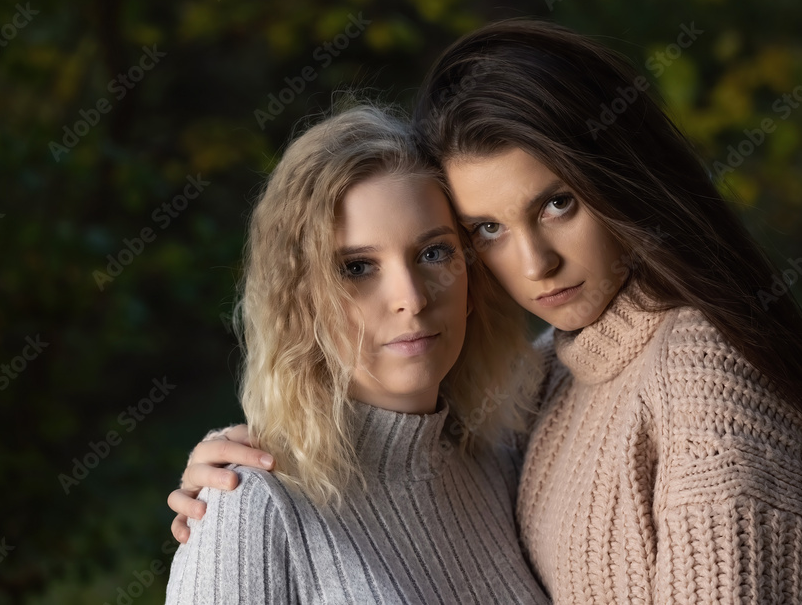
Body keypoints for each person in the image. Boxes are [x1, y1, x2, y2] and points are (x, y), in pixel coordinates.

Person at [171, 20, 802, 603]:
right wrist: (241, 497)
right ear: (297, 295)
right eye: (489, 229)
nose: (536, 264)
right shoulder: (527, 405)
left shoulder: (679, 382)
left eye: (556, 203)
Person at [164, 104, 550, 604]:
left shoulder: (499, 461)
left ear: (471, 278)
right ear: (300, 302)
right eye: (357, 268)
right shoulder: (251, 504)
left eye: (433, 253)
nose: (411, 297)